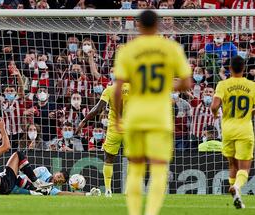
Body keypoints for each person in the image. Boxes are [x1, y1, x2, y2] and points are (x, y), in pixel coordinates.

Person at [114, 10, 191, 215]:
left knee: (136, 168)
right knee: (159, 168)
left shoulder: (127, 50)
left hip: (135, 117)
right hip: (159, 118)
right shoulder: (170, 48)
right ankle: (151, 213)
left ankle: (134, 213)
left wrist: (118, 118)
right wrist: (166, 85)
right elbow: (187, 82)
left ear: (139, 26)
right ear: (158, 26)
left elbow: (117, 88)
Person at [211, 56, 255, 209]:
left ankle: (236, 195)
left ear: (230, 69)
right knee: (245, 167)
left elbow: (214, 106)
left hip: (228, 129)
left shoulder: (223, 84)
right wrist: (251, 112)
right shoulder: (252, 85)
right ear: (244, 69)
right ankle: (236, 187)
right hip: (245, 129)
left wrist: (216, 114)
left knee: (232, 163)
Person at [76, 80, 129, 197]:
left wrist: (84, 121)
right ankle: (129, 190)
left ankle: (108, 190)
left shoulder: (110, 89)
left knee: (109, 158)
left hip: (114, 129)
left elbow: (98, 109)